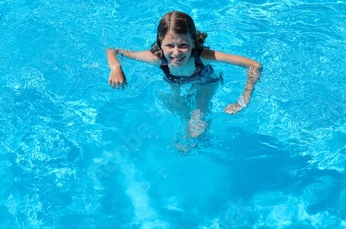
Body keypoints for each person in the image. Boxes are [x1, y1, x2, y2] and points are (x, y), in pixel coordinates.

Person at [106, 11, 262, 138]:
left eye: (183, 45)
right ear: (160, 44)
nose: (176, 52)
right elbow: (113, 50)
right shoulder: (157, 58)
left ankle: (197, 140)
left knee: (197, 118)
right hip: (175, 82)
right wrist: (115, 67)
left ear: (193, 43)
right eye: (169, 45)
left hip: (205, 81)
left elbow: (254, 65)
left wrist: (243, 100)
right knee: (175, 107)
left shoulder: (203, 57)